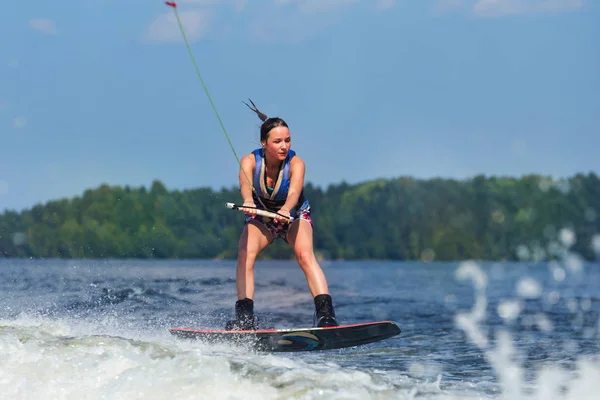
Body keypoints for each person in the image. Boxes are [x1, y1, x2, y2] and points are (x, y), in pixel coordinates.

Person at [225, 99, 339, 331]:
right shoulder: (249, 161)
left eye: (287, 140)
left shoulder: (297, 164)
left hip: (293, 215)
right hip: (263, 217)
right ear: (264, 142)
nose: (283, 146)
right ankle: (245, 319)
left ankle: (325, 316)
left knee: (305, 255)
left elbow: (295, 191)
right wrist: (248, 200)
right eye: (277, 141)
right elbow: (245, 186)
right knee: (245, 254)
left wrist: (286, 208)